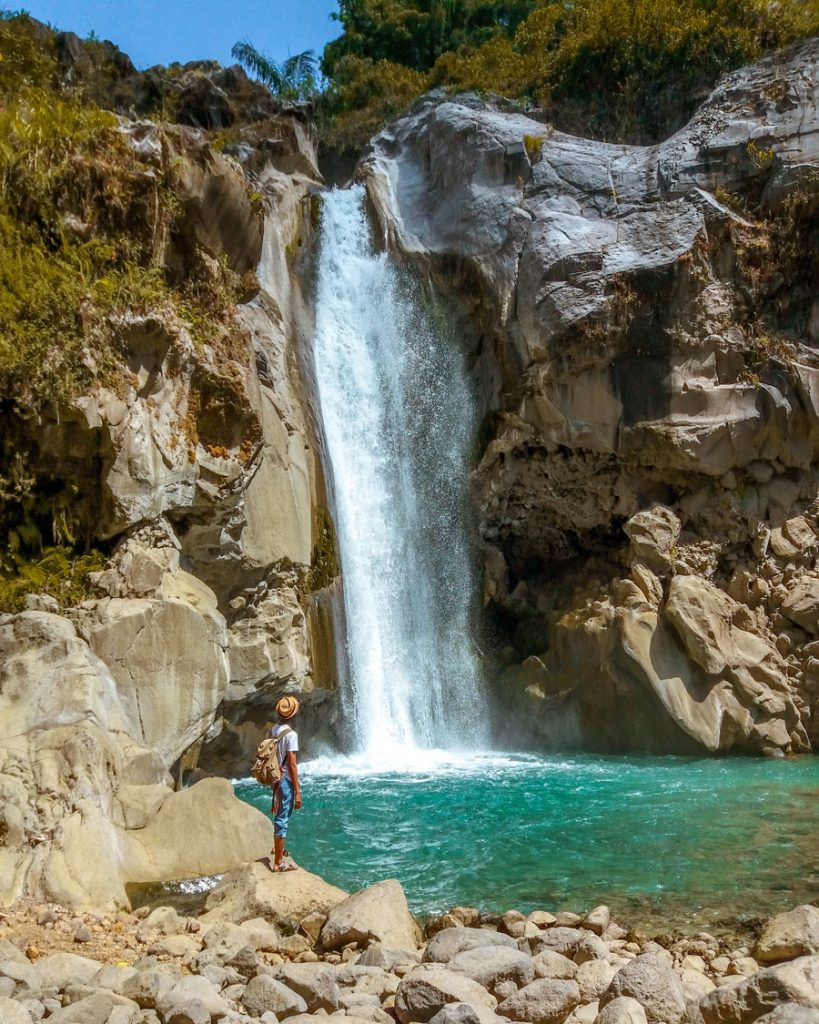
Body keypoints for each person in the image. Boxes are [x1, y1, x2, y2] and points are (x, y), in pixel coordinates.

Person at [270, 695, 301, 872]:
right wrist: (297, 790)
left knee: (282, 812)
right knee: (283, 816)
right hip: (286, 779)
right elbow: (292, 763)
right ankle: (278, 862)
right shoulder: (291, 735)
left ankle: (277, 849)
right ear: (293, 715)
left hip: (276, 776)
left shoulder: (275, 729)